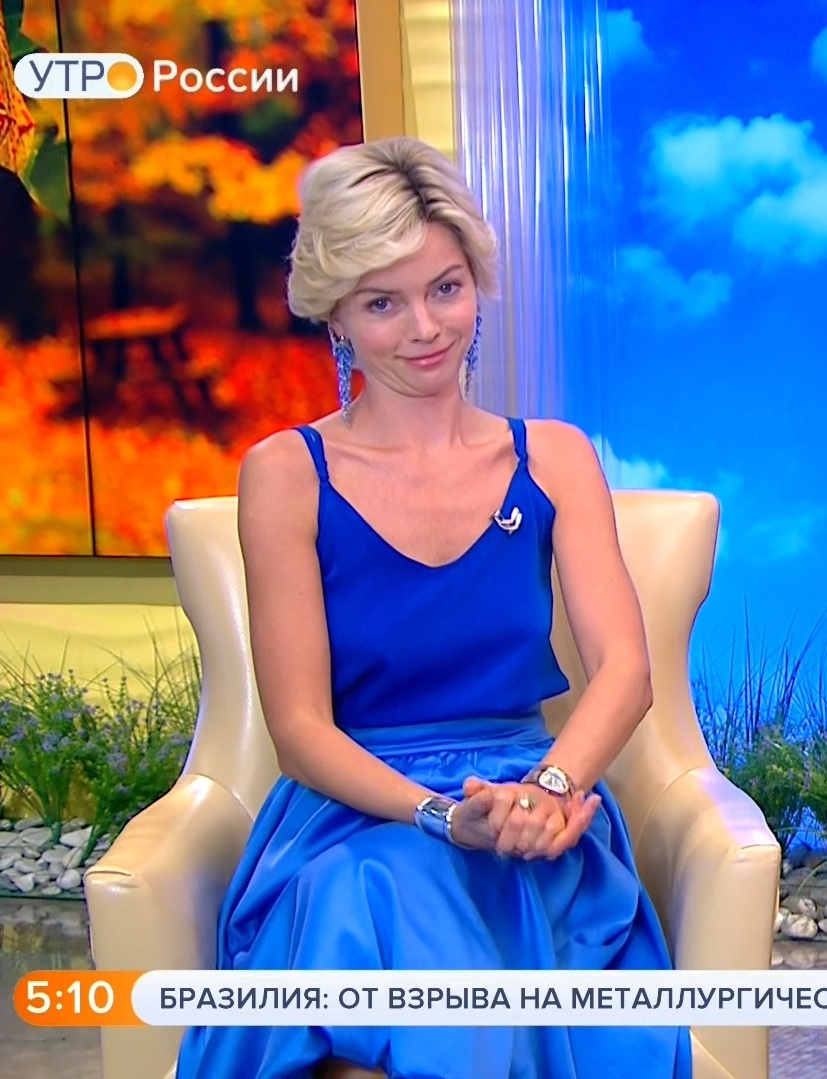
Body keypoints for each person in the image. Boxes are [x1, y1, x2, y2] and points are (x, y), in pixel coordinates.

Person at [177, 137, 691, 1079]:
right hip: (356, 813)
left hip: (528, 803)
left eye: (445, 289)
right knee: (371, 892)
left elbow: (625, 670)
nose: (425, 327)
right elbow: (299, 729)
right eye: (383, 302)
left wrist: (550, 790)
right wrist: (441, 818)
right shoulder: (286, 473)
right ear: (336, 315)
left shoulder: (555, 458)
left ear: (476, 286)